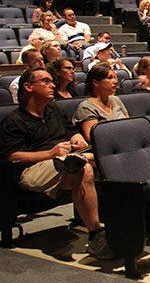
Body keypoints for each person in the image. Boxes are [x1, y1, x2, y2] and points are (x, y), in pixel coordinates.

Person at [0, 67, 113, 259]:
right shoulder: (14, 121)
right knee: (83, 168)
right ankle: (96, 234)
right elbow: (11, 156)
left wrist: (77, 138)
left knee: (105, 160)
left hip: (64, 162)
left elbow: (69, 131)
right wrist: (50, 154)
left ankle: (124, 223)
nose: (52, 84)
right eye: (45, 81)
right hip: (31, 170)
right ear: (28, 87)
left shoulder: (53, 110)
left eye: (52, 81)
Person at [73, 63, 128, 143]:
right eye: (109, 78)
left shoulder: (115, 99)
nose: (115, 81)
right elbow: (94, 139)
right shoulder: (86, 107)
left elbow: (129, 123)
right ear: (95, 82)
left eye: (115, 78)